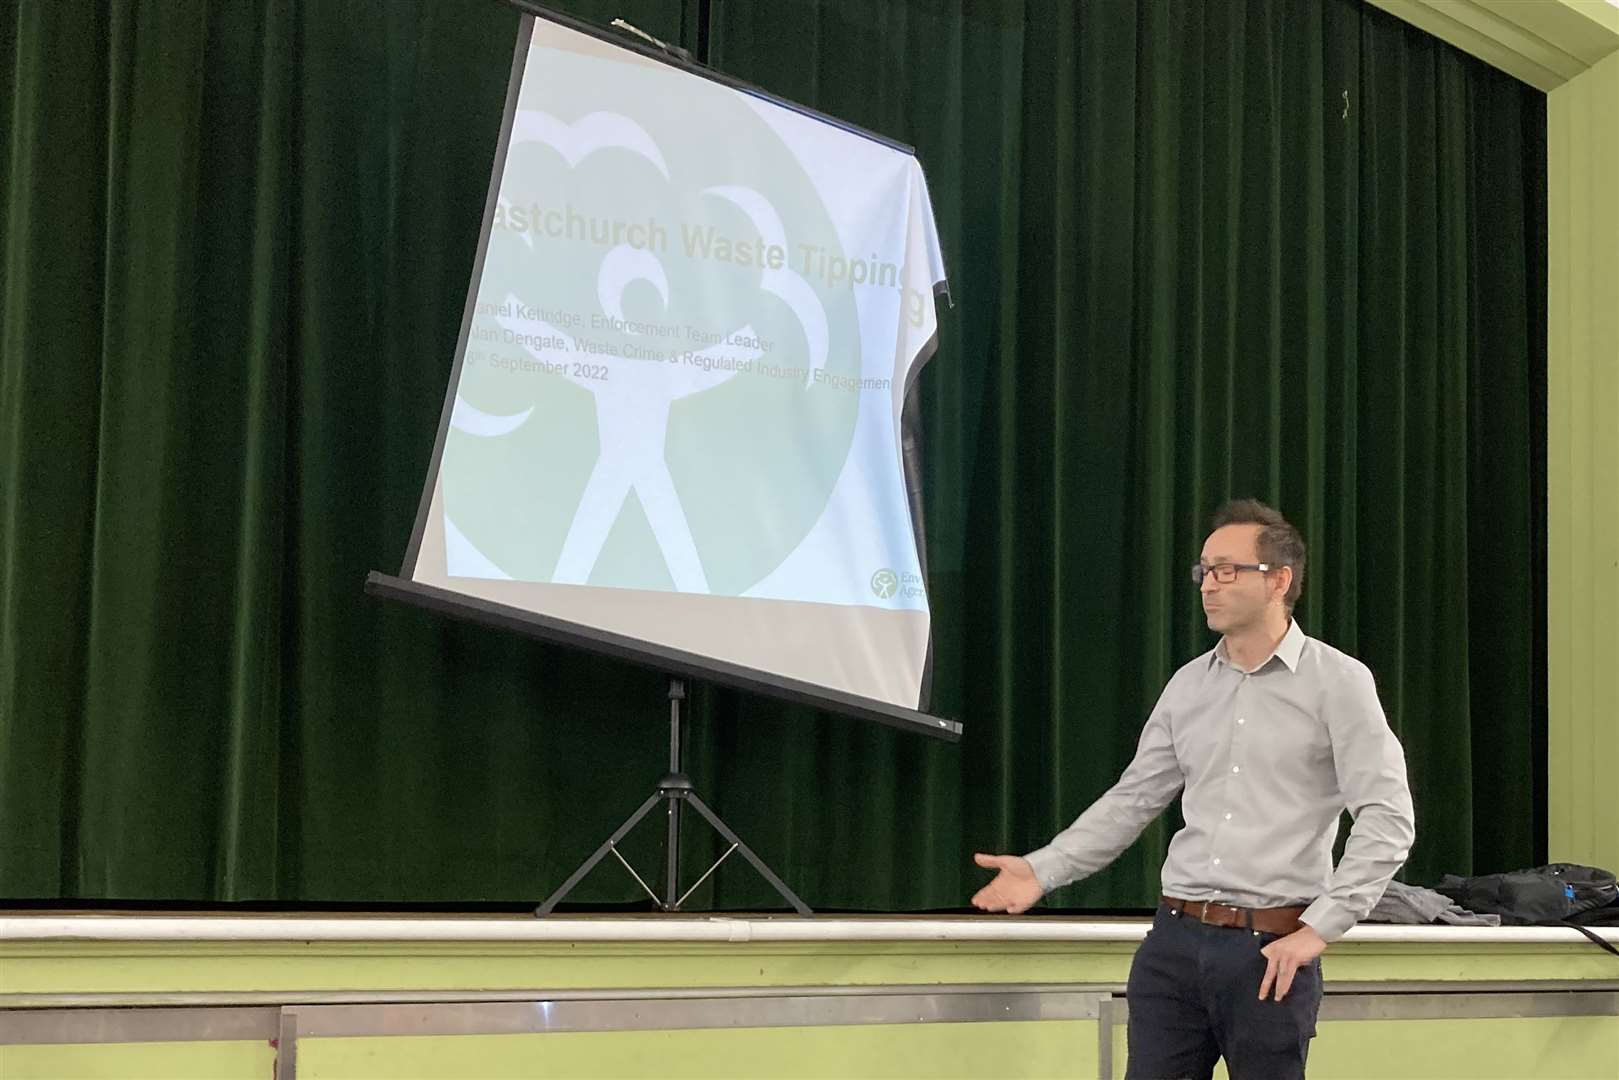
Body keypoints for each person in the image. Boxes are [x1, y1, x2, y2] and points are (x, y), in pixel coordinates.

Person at [971, 499, 1415, 1080]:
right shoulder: (1188, 685)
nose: (1209, 584)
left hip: (1269, 948)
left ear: (1279, 579)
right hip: (1173, 945)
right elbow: (1134, 799)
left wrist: (1320, 929)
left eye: (1228, 569)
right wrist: (1043, 869)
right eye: (1204, 570)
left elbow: (1387, 816)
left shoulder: (1338, 682)